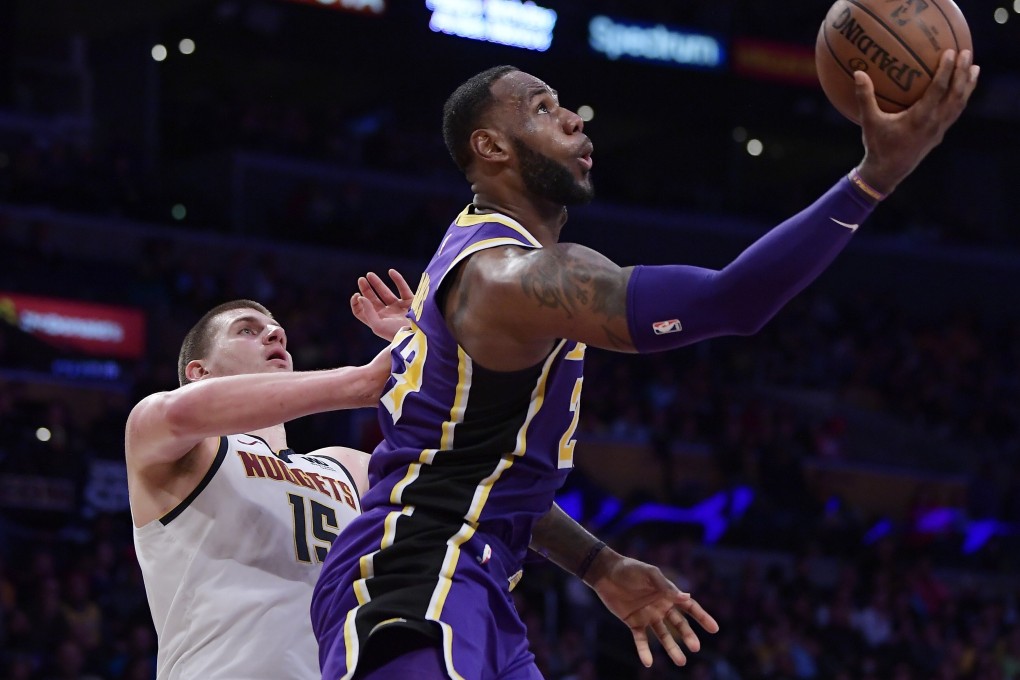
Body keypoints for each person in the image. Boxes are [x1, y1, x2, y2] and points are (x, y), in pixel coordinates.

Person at [312, 52, 979, 680]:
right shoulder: (510, 277)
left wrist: (599, 564)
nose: (574, 118)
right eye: (544, 109)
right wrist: (871, 180)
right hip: (416, 580)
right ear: (490, 147)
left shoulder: (497, 261)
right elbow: (734, 300)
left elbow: (476, 479)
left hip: (475, 581)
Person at [127, 287, 715, 679]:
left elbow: (470, 483)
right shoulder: (165, 436)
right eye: (249, 332)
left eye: (278, 329)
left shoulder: (345, 467)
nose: (275, 337)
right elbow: (182, 413)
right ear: (196, 372)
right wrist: (364, 380)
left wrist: (599, 565)